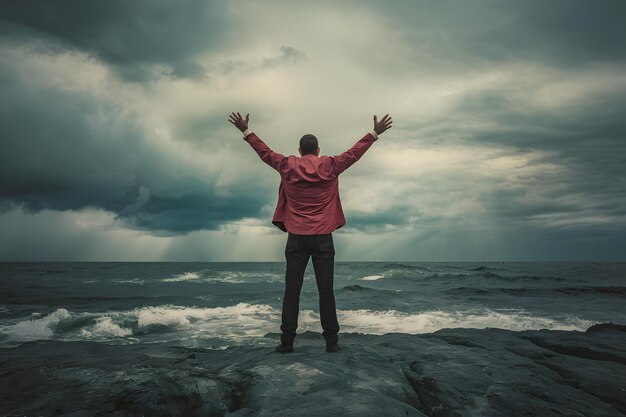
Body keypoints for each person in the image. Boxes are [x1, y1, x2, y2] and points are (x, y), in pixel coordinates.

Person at [228, 112, 393, 353]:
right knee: (326, 289)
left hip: (296, 237)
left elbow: (264, 152)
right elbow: (354, 153)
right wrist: (375, 133)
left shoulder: (287, 165)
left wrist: (246, 131)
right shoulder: (331, 165)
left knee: (291, 290)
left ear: (299, 149)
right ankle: (332, 343)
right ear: (318, 150)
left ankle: (287, 343)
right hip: (323, 237)